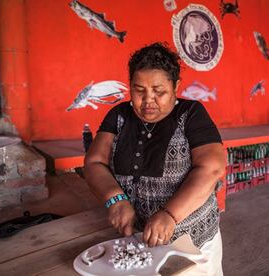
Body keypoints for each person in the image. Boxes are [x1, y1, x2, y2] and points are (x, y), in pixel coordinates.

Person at [84, 42, 226, 275]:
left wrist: (170, 215)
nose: (148, 100)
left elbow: (211, 168)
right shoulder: (118, 116)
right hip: (138, 240)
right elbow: (94, 163)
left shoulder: (190, 114)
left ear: (175, 86)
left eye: (158, 91)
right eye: (139, 90)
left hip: (192, 241)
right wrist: (115, 199)